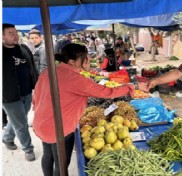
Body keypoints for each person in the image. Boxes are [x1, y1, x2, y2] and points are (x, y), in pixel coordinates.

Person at [32, 43, 148, 176]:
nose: (88, 61)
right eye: (85, 58)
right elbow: (107, 91)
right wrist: (131, 87)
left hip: (41, 122)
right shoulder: (76, 79)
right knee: (61, 163)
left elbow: (36, 95)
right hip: (60, 128)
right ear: (72, 61)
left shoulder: (48, 71)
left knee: (48, 156)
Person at [2, 23, 38, 161]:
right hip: (9, 96)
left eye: (16, 32)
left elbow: (32, 67)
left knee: (18, 119)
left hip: (27, 92)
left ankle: (7, 138)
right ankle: (28, 149)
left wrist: (36, 84)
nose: (16, 36)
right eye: (11, 34)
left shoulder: (23, 49)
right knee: (21, 123)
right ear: (2, 37)